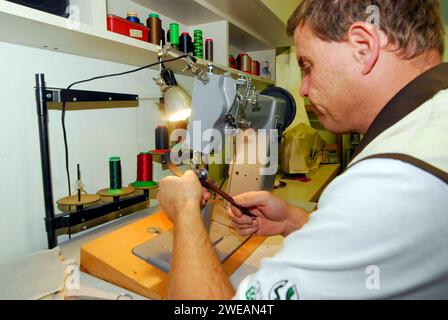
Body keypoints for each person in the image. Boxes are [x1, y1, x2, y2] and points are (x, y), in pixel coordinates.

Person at [157, 0, 448, 300]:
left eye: (308, 67)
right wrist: (294, 222)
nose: (304, 89)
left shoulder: (390, 181)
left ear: (364, 46)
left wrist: (185, 213)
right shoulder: (430, 127)